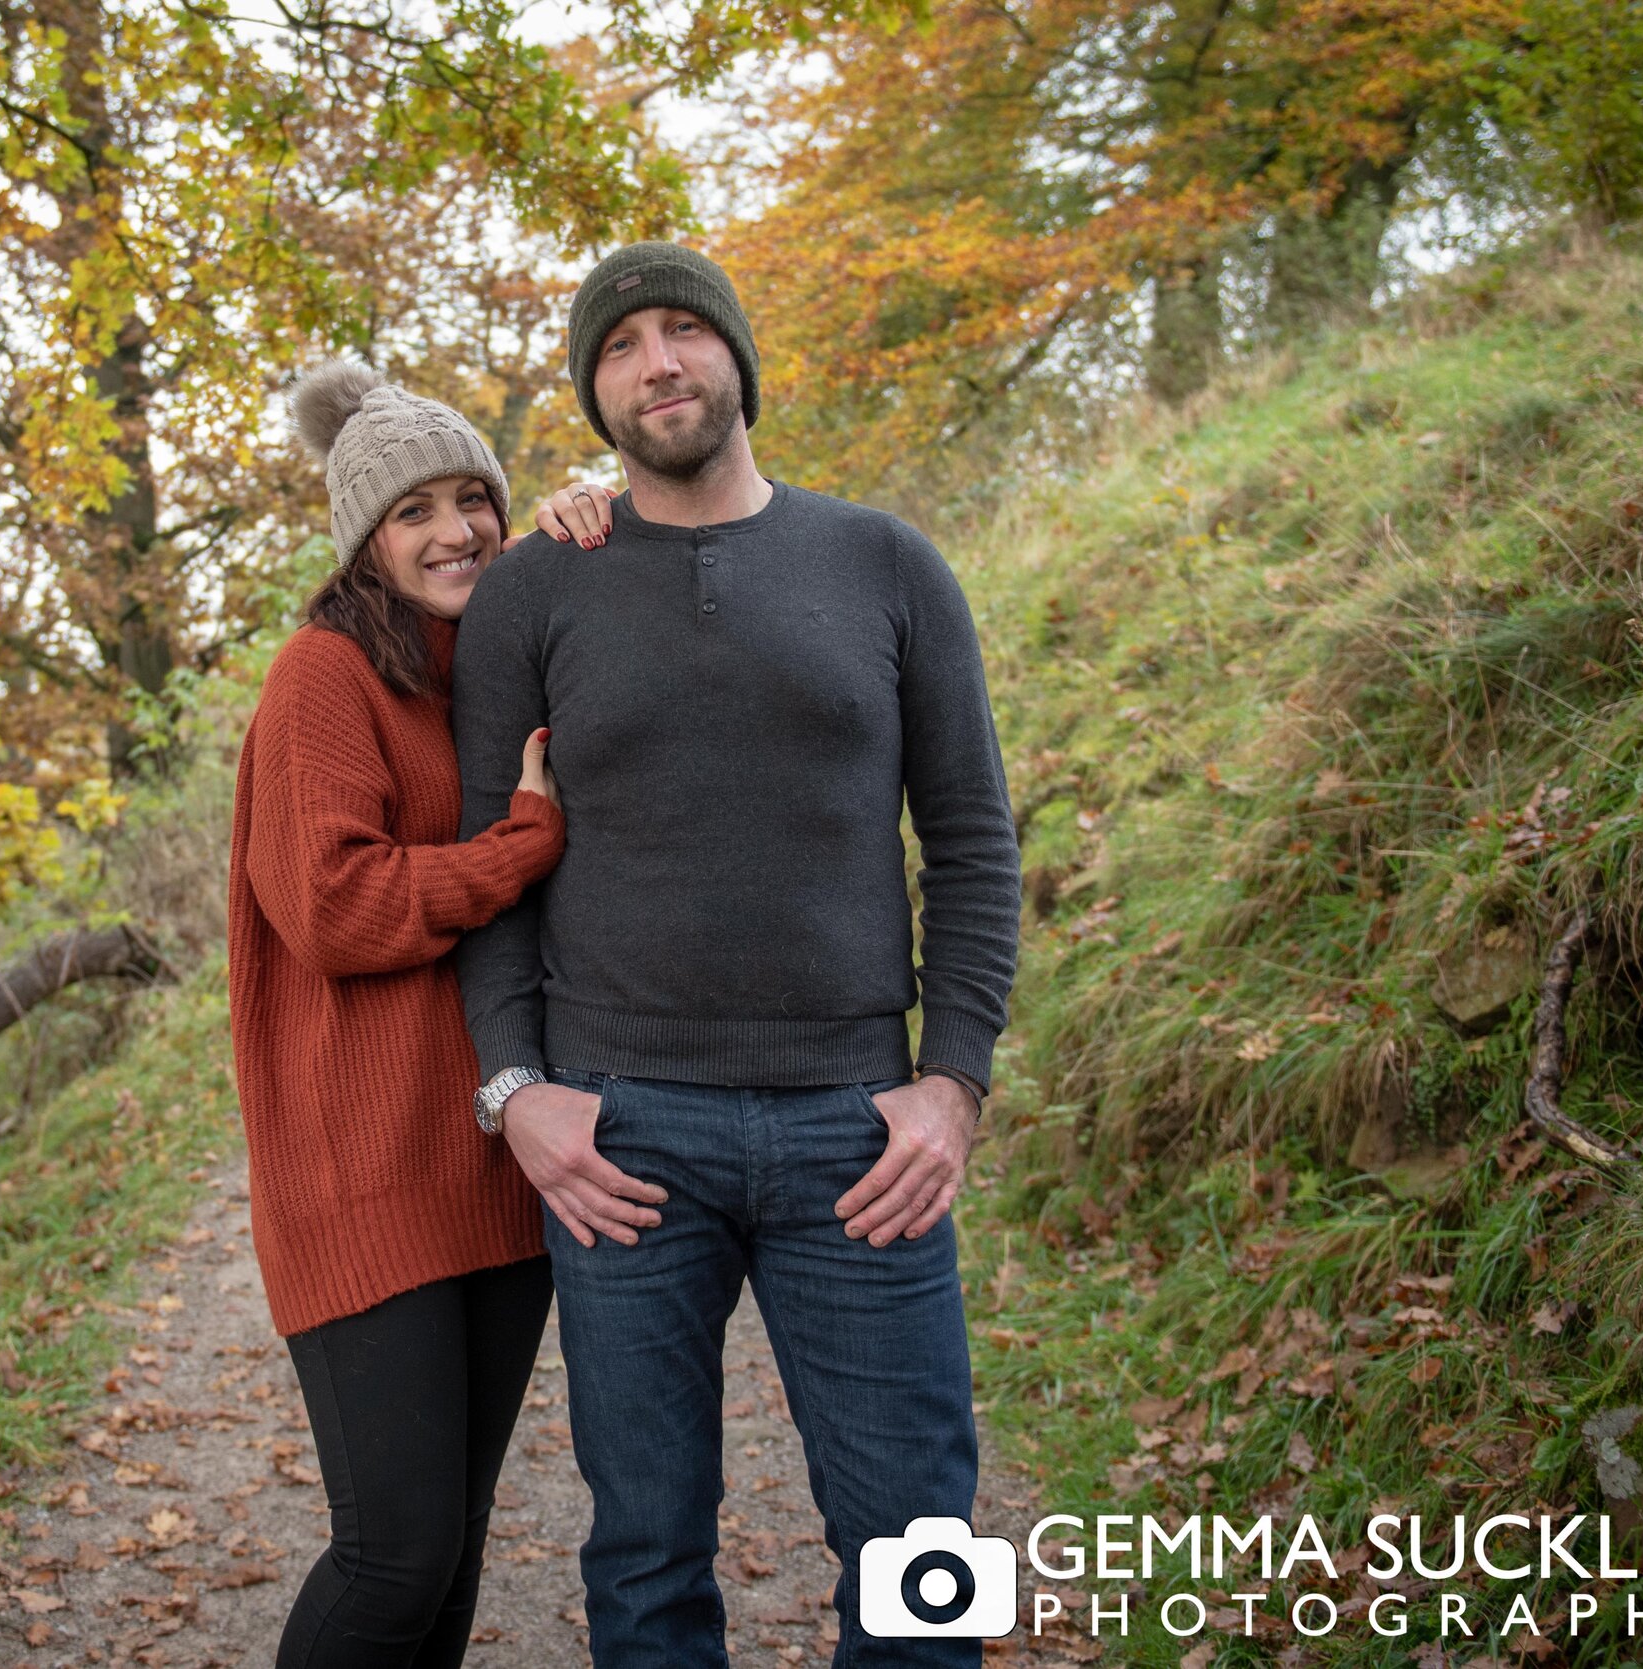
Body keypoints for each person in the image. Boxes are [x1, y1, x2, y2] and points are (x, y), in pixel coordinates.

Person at [451, 243, 1024, 1667]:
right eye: (623, 343)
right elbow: (490, 865)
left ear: (737, 359)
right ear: (594, 390)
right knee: (645, 1560)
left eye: (685, 331)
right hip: (621, 1139)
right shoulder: (535, 594)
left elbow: (970, 838)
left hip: (858, 1134)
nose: (658, 362)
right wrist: (519, 1087)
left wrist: (951, 1082)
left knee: (920, 1553)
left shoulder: (885, 563)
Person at [227, 361, 622, 1667]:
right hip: (363, 1169)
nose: (457, 530)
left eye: (478, 501)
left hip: (493, 1160)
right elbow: (334, 908)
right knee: (392, 1553)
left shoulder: (495, 667)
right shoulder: (324, 674)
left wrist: (585, 532)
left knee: (449, 1543)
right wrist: (520, 845)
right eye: (417, 511)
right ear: (364, 540)